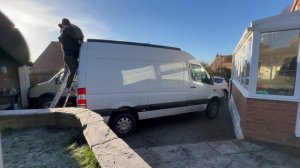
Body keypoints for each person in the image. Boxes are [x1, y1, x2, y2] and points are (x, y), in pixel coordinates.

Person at [58, 18, 84, 89]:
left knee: (71, 69)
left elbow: (62, 39)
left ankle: (66, 83)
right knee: (73, 70)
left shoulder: (66, 31)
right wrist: (79, 41)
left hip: (69, 55)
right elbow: (78, 38)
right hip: (71, 55)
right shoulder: (71, 30)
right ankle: (68, 86)